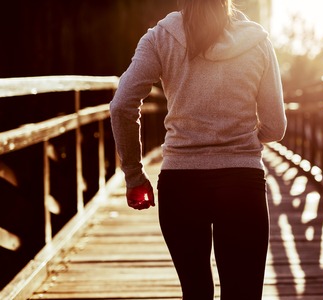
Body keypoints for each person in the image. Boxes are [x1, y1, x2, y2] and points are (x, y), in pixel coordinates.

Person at [110, 0, 287, 299]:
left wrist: (134, 174)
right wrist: (242, 140)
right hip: (242, 184)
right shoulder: (257, 41)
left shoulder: (159, 37)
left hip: (181, 184)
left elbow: (121, 106)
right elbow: (275, 127)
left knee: (195, 291)